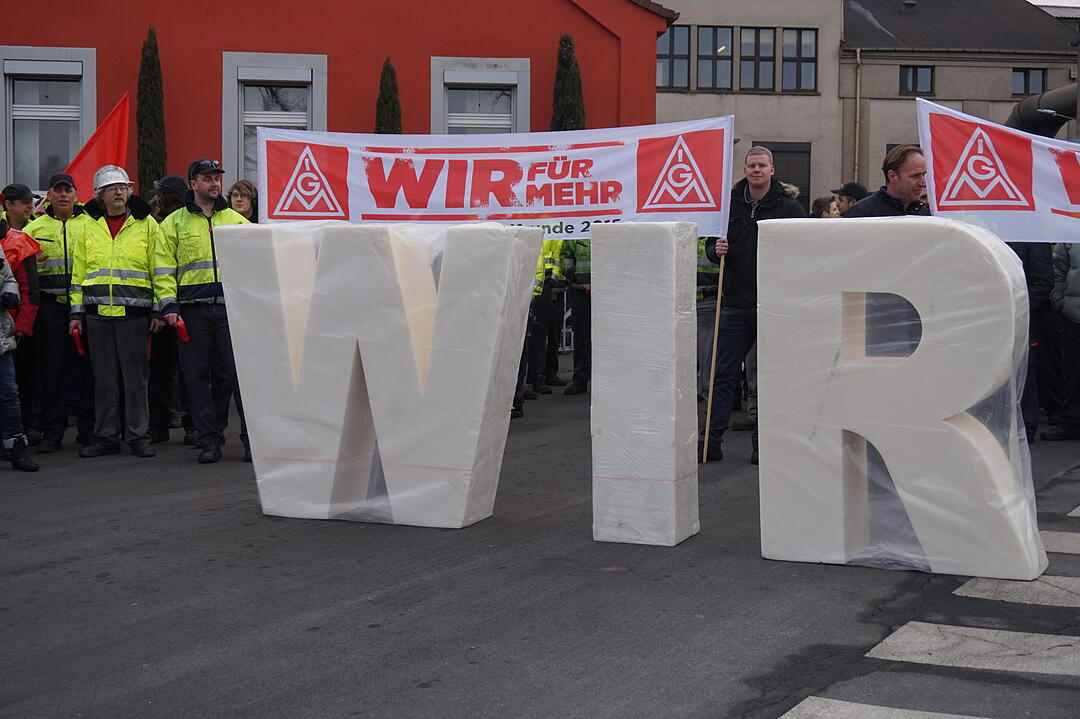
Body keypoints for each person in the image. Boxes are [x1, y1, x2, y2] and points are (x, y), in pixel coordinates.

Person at [702, 146, 806, 463]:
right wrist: (714, 249)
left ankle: (764, 444)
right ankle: (711, 442)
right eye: (751, 166)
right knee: (723, 375)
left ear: (772, 169)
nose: (756, 170)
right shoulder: (728, 206)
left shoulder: (790, 208)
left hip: (773, 303)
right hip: (734, 303)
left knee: (769, 378)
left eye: (761, 165)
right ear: (745, 170)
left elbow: (804, 250)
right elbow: (711, 244)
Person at [155, 159, 250, 463]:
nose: (214, 183)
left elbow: (255, 266)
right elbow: (163, 269)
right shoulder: (174, 224)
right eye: (207, 178)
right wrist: (169, 306)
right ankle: (209, 439)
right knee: (195, 377)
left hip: (230, 311)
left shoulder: (236, 221)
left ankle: (251, 440)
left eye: (217, 178)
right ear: (193, 184)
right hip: (191, 312)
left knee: (237, 376)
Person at [70, 165, 162, 458]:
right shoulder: (88, 225)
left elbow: (159, 269)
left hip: (134, 315)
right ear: (100, 195)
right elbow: (78, 273)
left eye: (123, 187)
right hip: (97, 315)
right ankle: (106, 437)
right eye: (112, 188)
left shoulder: (147, 225)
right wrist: (76, 314)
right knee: (104, 381)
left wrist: (158, 310)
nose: (119, 192)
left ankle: (138, 436)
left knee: (136, 381)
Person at [23, 174, 95, 453]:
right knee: (53, 371)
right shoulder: (33, 229)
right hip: (50, 309)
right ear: (49, 196)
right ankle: (52, 431)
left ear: (76, 195)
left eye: (68, 190)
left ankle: (88, 430)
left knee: (88, 370)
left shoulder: (91, 225)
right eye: (58, 190)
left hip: (86, 306)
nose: (63, 195)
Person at [0, 205, 40, 470]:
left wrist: (9, 292)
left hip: (1, 337)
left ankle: (16, 447)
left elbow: (8, 278)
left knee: (9, 393)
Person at [1043, 241, 1080, 441]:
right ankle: (1072, 422)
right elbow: (1058, 270)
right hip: (1074, 316)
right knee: (1073, 372)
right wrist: (1059, 302)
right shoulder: (1070, 234)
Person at [843, 145, 929, 218]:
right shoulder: (862, 214)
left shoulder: (925, 215)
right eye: (915, 176)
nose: (923, 183)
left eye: (924, 175)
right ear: (892, 176)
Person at [559, 238, 591, 395]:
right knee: (581, 338)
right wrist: (571, 273)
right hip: (581, 291)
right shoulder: (576, 233)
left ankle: (606, 382)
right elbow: (565, 255)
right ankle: (580, 380)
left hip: (608, 290)